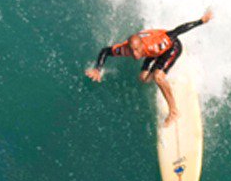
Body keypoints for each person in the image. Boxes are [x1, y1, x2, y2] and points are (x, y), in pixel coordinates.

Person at [85, 9, 214, 127]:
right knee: (144, 79)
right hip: (151, 54)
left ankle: (174, 111)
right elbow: (105, 51)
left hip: (171, 48)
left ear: (141, 46)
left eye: (137, 50)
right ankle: (163, 78)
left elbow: (177, 31)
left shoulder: (157, 43)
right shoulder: (126, 49)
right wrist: (97, 69)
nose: (134, 55)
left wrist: (201, 21)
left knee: (158, 77)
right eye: (132, 51)